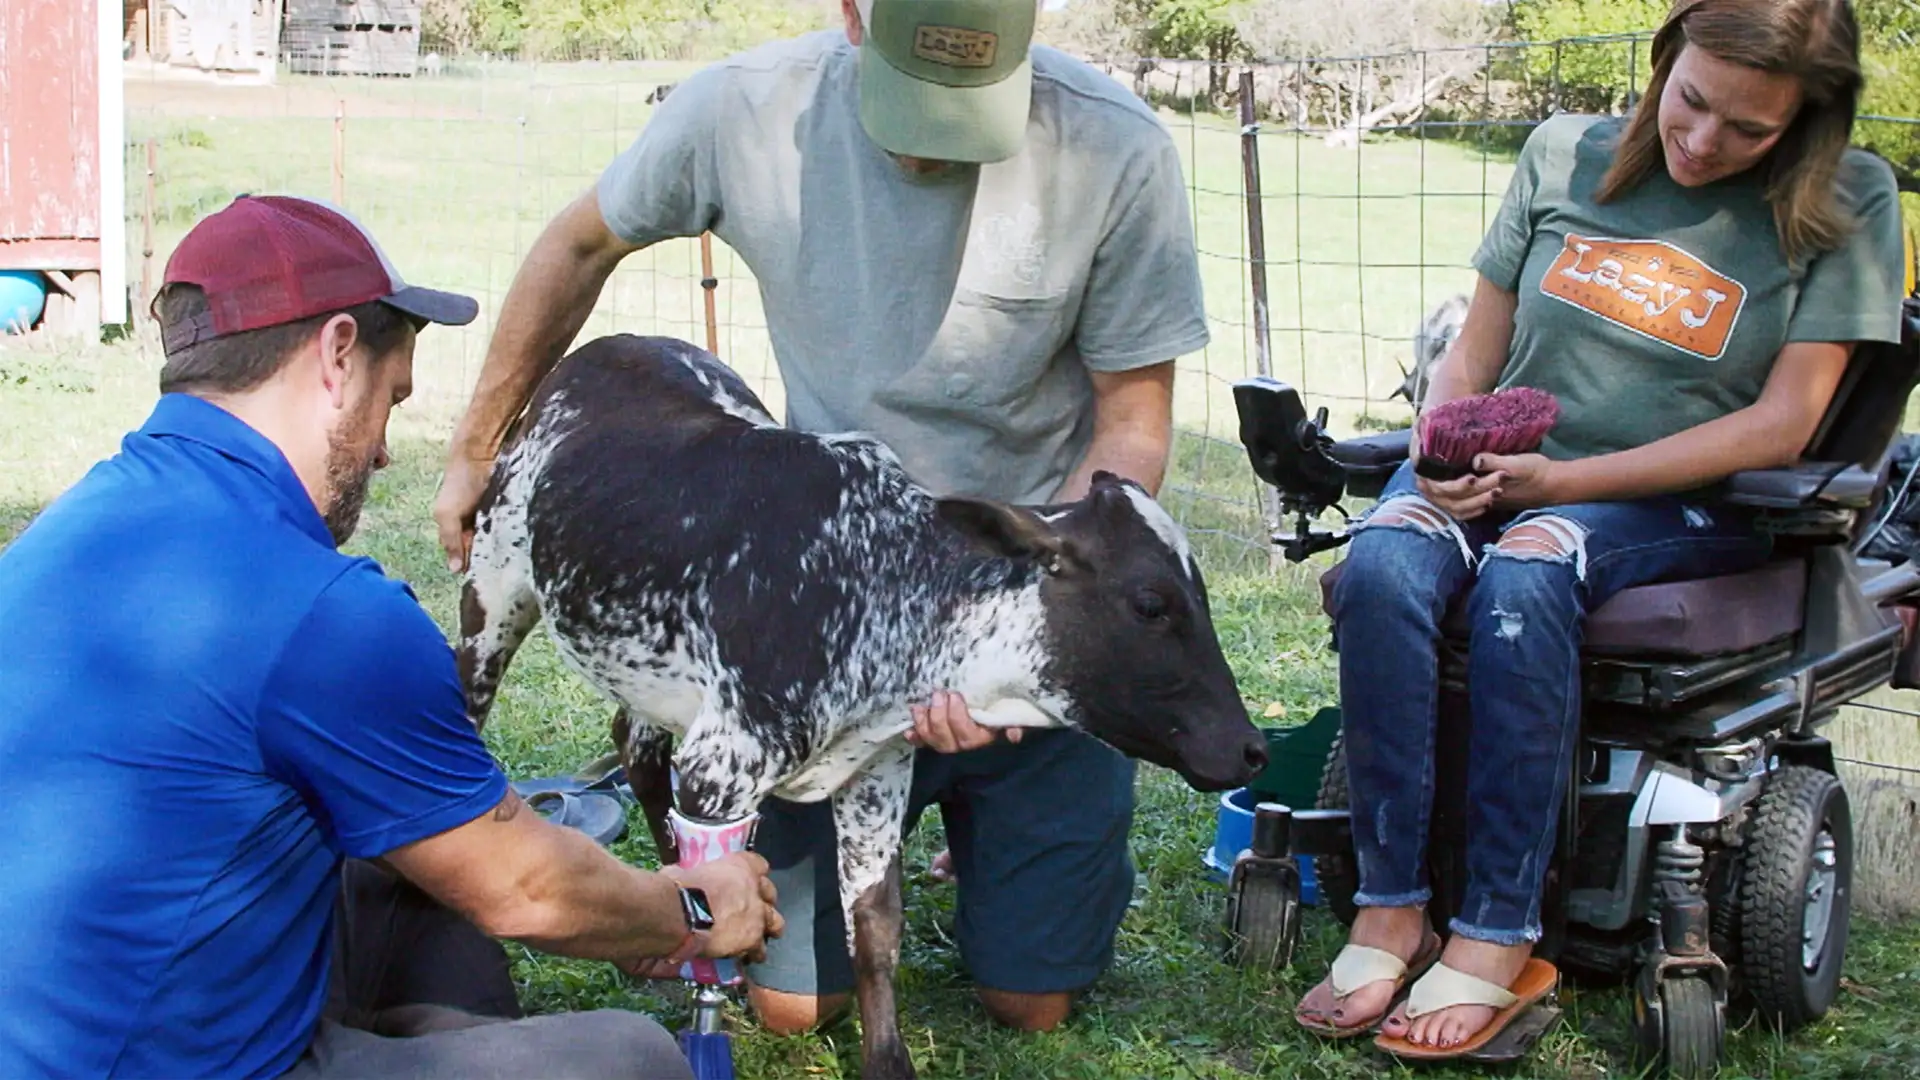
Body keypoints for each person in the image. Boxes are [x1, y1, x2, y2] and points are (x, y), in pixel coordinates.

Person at [429, 0, 1209, 1038]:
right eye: (913, 103)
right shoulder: (746, 114)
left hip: (1029, 595)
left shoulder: (1113, 151)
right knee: (795, 1007)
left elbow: (1131, 431)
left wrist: (1020, 635)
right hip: (826, 622)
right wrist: (478, 450)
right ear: (852, 14)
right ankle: (689, 780)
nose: (936, 147)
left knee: (1032, 1004)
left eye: (969, 103)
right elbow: (577, 245)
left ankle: (994, 842)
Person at [0, 193, 783, 1080]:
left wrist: (616, 908)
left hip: (86, 1017)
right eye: (391, 397)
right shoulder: (328, 614)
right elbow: (522, 886)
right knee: (632, 1059)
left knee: (412, 853)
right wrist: (688, 906)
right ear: (338, 354)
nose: (382, 453)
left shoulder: (62, 533)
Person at [1294, 0, 1909, 1057]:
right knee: (1387, 561)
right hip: (1517, 465)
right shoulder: (1560, 154)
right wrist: (1439, 453)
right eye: (1693, 102)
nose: (1705, 141)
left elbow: (1784, 422)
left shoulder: (1851, 198)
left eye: (1750, 129)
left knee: (1531, 571)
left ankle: (1496, 932)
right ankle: (1391, 904)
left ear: (1807, 121)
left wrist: (1566, 484)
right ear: (1667, 58)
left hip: (1686, 500)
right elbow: (1473, 354)